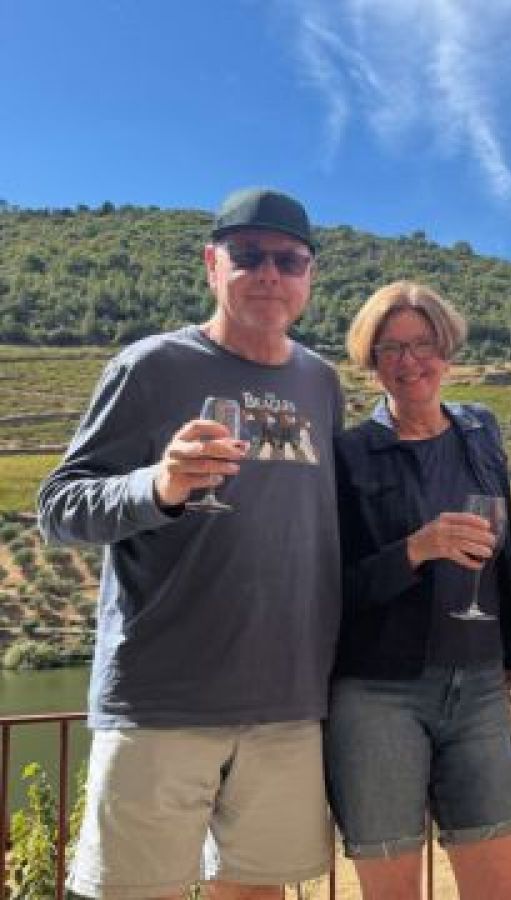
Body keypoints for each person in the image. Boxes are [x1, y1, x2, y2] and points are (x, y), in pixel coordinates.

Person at [37, 187, 343, 898]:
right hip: (162, 696)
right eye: (249, 255)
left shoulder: (321, 382)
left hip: (288, 699)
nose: (270, 273)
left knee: (258, 889)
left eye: (289, 260)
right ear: (212, 264)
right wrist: (159, 485)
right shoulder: (152, 367)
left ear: (309, 277)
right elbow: (58, 508)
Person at [326, 280, 511, 900]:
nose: (409, 360)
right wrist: (416, 550)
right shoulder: (350, 455)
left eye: (422, 344)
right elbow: (334, 589)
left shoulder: (481, 433)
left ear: (446, 351)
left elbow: (504, 555)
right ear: (371, 362)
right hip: (377, 693)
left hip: (477, 690)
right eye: (390, 348)